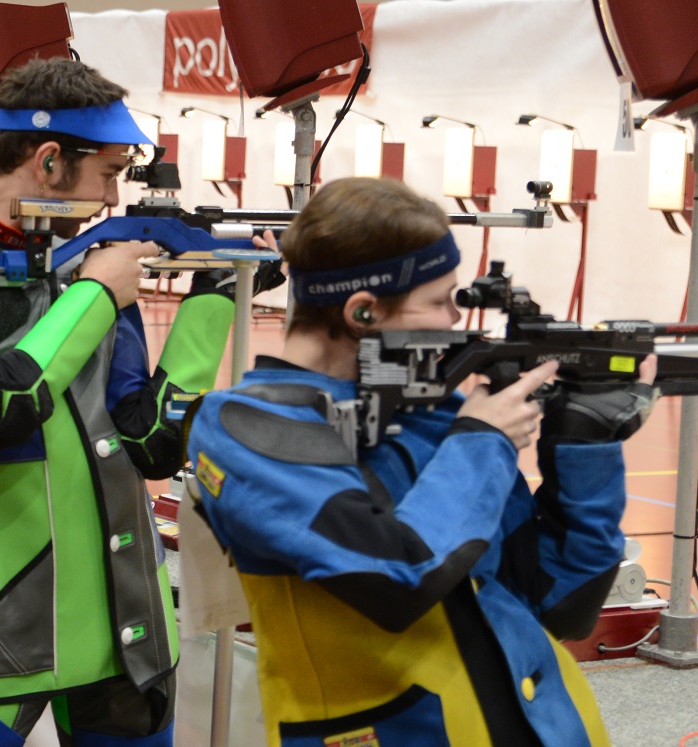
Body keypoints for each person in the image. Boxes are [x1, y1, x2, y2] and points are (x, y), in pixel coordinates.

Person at [0, 57, 240, 745]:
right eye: (110, 173)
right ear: (50, 160)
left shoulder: (81, 264)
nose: (114, 198)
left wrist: (211, 300)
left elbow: (149, 439)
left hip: (129, 627)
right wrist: (96, 293)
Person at [185, 177, 643, 746]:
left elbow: (563, 602)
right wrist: (483, 440)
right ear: (364, 312)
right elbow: (396, 574)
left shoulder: (431, 416)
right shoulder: (243, 427)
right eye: (438, 301)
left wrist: (586, 441)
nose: (455, 319)